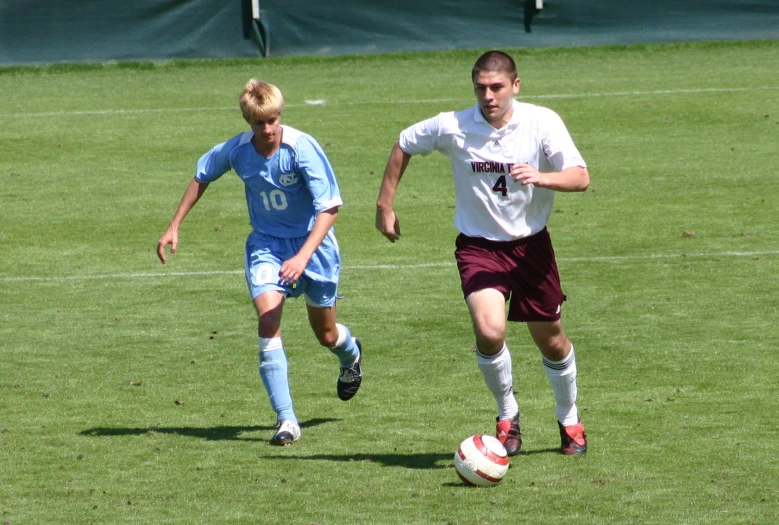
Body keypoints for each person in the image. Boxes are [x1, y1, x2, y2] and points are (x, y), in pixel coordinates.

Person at [375, 50, 589, 455]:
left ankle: (569, 416)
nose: (488, 95)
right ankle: (507, 415)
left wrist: (542, 176)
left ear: (515, 86)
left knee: (551, 340)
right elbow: (404, 142)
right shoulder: (452, 125)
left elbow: (580, 177)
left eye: (497, 87)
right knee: (490, 331)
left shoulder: (542, 122)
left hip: (531, 249)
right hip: (478, 247)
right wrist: (385, 205)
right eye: (481, 87)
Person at [157, 79, 363, 446]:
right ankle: (286, 420)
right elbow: (202, 175)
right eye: (259, 123)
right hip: (266, 246)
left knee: (326, 334)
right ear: (247, 121)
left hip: (313, 247)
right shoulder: (237, 151)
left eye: (273, 120)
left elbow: (329, 208)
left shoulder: (302, 149)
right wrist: (174, 225)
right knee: (268, 320)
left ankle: (351, 354)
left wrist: (303, 256)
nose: (267, 129)